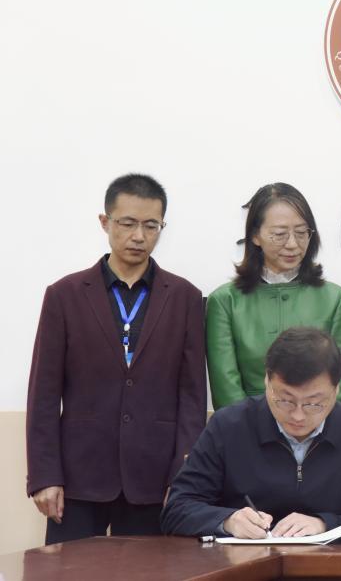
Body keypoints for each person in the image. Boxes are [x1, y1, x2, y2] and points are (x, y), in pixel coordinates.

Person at [26, 173, 206, 544]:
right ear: (105, 222)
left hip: (154, 477)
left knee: (151, 570)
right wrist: (44, 475)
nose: (139, 236)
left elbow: (192, 397)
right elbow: (43, 392)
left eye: (151, 226)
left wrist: (183, 477)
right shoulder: (64, 295)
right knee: (68, 570)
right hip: (78, 476)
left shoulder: (185, 297)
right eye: (127, 223)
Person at [161, 327, 341, 539]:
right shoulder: (228, 426)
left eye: (313, 404)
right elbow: (176, 509)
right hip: (244, 565)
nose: (298, 416)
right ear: (267, 381)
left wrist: (326, 524)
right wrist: (227, 521)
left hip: (329, 566)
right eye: (285, 400)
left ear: (336, 390)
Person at [206, 183, 341, 409]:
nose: (292, 244)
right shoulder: (225, 301)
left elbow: (336, 384)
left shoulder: (335, 298)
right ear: (255, 235)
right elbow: (226, 390)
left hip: (313, 423)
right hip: (245, 425)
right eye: (280, 234)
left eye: (301, 233)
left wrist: (306, 419)